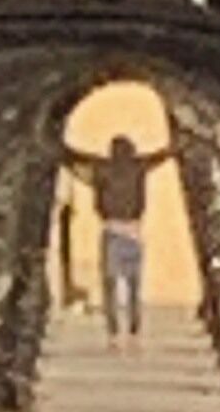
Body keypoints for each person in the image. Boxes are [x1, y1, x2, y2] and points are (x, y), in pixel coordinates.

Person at [62, 130, 172, 343]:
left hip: (111, 230)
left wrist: (65, 154)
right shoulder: (139, 167)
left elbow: (78, 162)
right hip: (134, 231)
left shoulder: (102, 169)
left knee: (110, 284)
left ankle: (113, 331)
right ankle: (134, 329)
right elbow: (160, 156)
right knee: (134, 284)